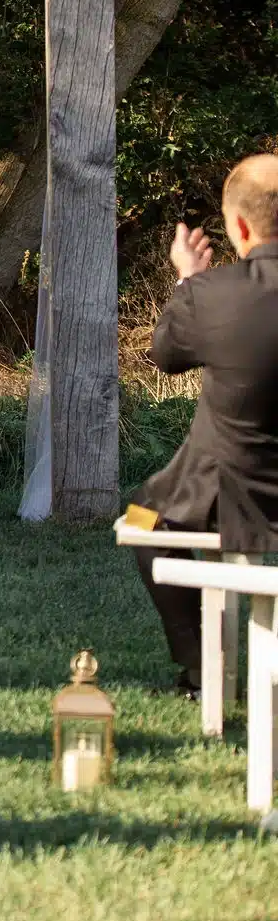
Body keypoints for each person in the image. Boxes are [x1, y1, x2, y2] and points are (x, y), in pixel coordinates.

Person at [131, 154, 278, 697]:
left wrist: (188, 280)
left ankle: (203, 672)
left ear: (239, 227)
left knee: (144, 516)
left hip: (229, 493)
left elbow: (165, 354)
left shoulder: (212, 293)